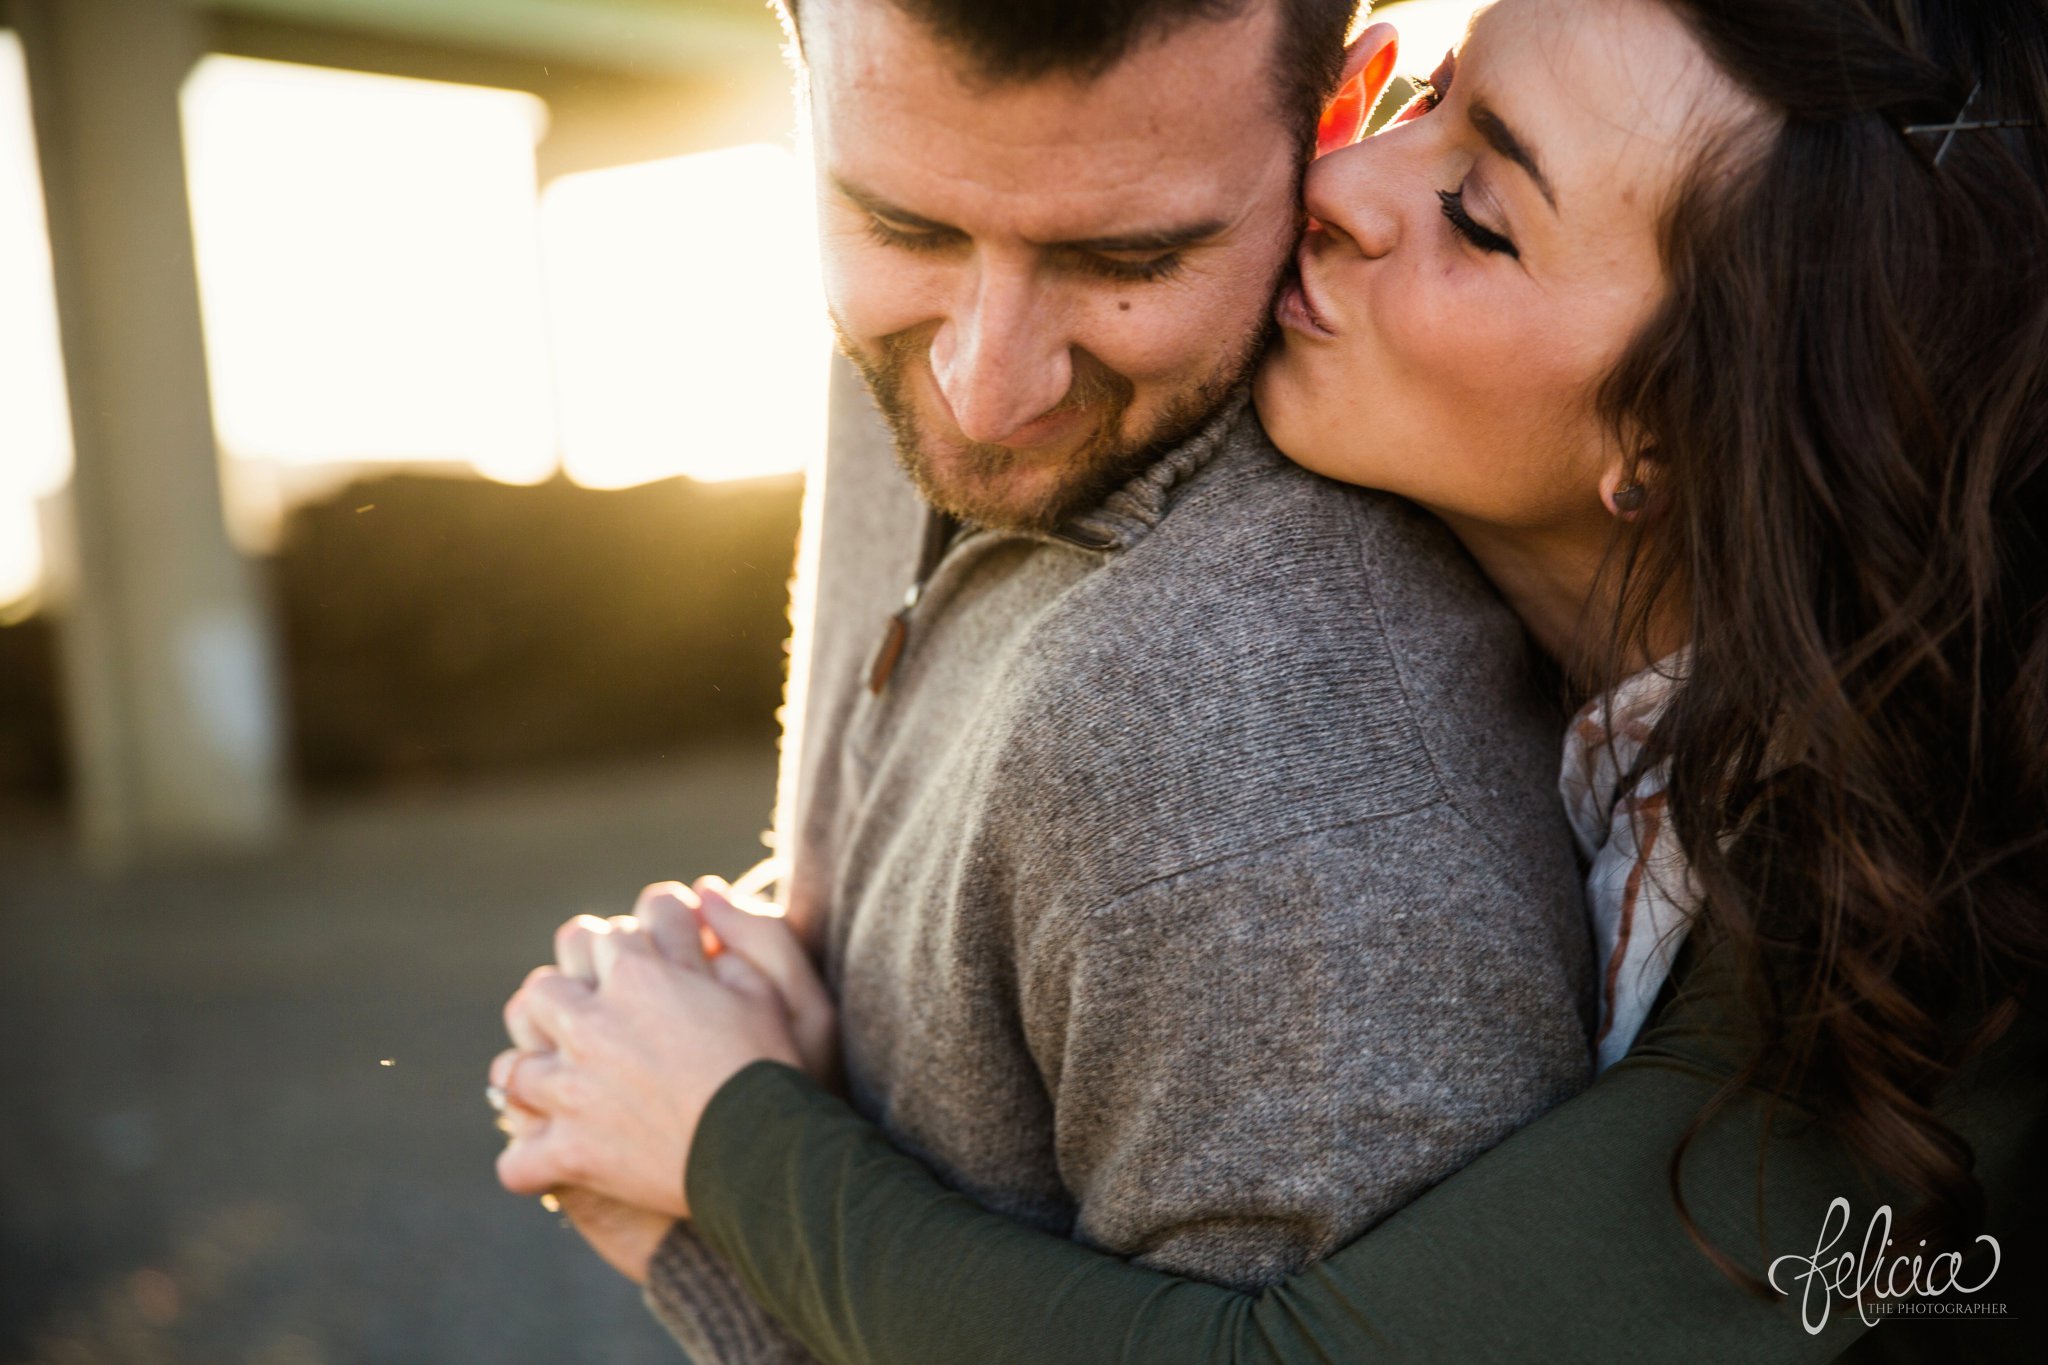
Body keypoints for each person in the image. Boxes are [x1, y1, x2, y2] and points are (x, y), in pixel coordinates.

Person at [493, 0, 2048, 1358]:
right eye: (1429, 94)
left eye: (1483, 211)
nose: (1344, 177)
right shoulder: (1670, 741)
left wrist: (723, 1141)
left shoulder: (1927, 899)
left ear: (1687, 421)